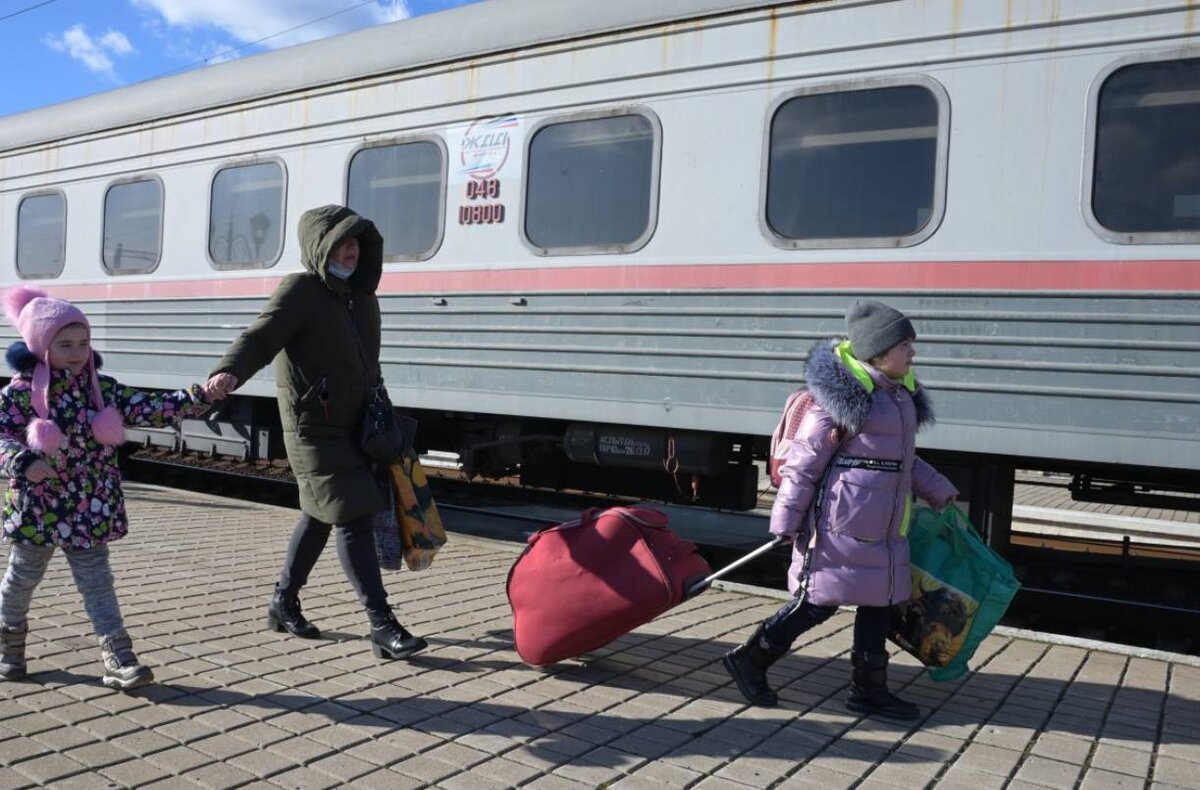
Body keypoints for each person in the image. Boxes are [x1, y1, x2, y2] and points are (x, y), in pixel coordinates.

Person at [205, 205, 426, 660]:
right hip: (312, 428)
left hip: (358, 426)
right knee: (352, 515)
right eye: (343, 240)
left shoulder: (361, 296)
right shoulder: (301, 290)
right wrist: (229, 373)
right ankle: (382, 625)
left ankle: (283, 603)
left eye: (357, 242)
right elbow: (261, 338)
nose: (351, 249)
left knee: (320, 514)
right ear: (319, 244)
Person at [724, 300, 958, 720]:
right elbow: (802, 464)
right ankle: (750, 658)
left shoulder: (898, 397)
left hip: (884, 528)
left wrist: (938, 489)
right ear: (880, 352)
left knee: (879, 603)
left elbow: (902, 461)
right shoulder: (840, 400)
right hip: (840, 526)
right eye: (906, 345)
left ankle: (869, 691)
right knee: (818, 601)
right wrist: (785, 521)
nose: (913, 353)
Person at [0, 287, 216, 690]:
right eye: (65, 344)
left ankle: (118, 655)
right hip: (38, 506)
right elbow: (1, 436)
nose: (78, 351)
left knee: (97, 580)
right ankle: (9, 642)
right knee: (22, 577)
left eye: (83, 342)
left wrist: (199, 396)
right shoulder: (19, 393)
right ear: (40, 345)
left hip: (88, 505)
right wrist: (21, 460)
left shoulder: (102, 388)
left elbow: (149, 407)